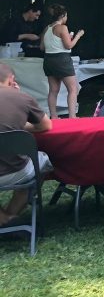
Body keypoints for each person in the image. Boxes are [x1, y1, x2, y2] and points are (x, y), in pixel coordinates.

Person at [0, 62, 53, 226]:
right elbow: (46, 125)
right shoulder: (21, 97)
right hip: (16, 169)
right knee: (42, 160)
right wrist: (18, 126)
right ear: (11, 80)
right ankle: (9, 217)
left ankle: (4, 217)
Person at [41, 4, 84, 118]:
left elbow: (42, 47)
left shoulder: (47, 28)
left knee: (53, 90)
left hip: (48, 60)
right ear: (63, 15)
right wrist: (78, 36)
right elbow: (69, 45)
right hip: (62, 60)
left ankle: (54, 117)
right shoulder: (62, 28)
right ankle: (72, 117)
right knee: (73, 89)